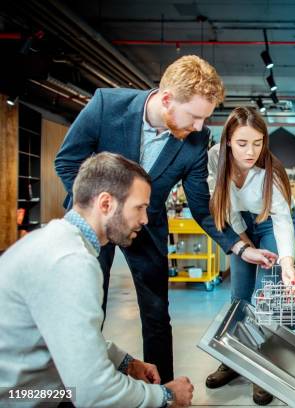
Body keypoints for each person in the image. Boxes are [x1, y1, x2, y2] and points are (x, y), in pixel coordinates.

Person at [54, 55, 276, 383]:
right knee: (87, 305)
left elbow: (202, 207)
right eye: (195, 117)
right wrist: (99, 211)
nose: (200, 128)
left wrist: (241, 248)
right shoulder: (106, 106)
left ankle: (165, 393)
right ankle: (78, 385)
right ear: (168, 99)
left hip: (148, 225)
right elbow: (67, 161)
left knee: (157, 313)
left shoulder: (195, 140)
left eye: (205, 118)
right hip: (95, 223)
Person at [0, 152, 193, 407]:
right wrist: (166, 396)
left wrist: (125, 362)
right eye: (140, 207)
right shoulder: (72, 262)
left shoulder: (56, 239)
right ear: (106, 204)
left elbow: (73, 332)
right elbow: (94, 392)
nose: (145, 220)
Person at [205, 107, 295, 405]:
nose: (251, 151)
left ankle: (264, 368)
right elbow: (223, 207)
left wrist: (287, 264)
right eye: (243, 143)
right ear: (228, 142)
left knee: (266, 296)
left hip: (271, 222)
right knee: (240, 296)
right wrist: (244, 245)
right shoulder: (214, 158)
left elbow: (283, 219)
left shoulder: (269, 171)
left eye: (258, 143)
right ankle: (234, 363)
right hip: (240, 223)